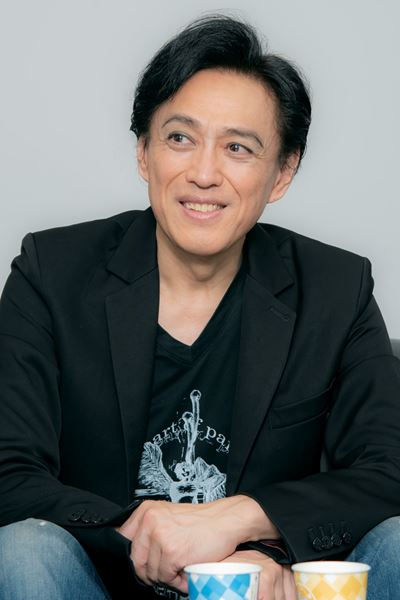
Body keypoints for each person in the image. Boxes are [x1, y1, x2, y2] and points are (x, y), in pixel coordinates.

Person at [0, 14, 400, 600]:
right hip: (99, 582)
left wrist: (246, 526)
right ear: (144, 152)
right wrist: (147, 532)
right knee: (22, 549)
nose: (204, 174)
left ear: (282, 172)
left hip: (269, 589)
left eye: (238, 148)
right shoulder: (51, 273)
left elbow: (389, 471)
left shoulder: (335, 290)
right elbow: (8, 473)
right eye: (180, 139)